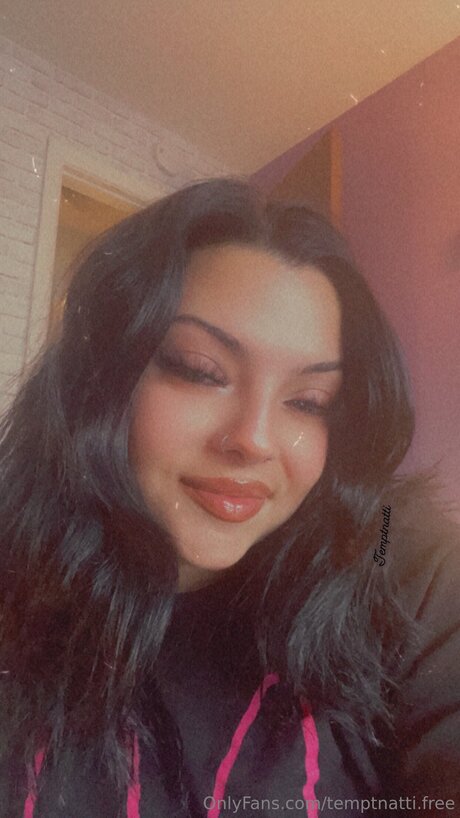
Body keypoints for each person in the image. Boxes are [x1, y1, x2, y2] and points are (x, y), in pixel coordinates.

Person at [0, 178, 459, 818]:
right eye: (200, 371)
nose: (254, 440)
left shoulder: (386, 542)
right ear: (102, 376)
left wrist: (387, 543)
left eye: (309, 402)